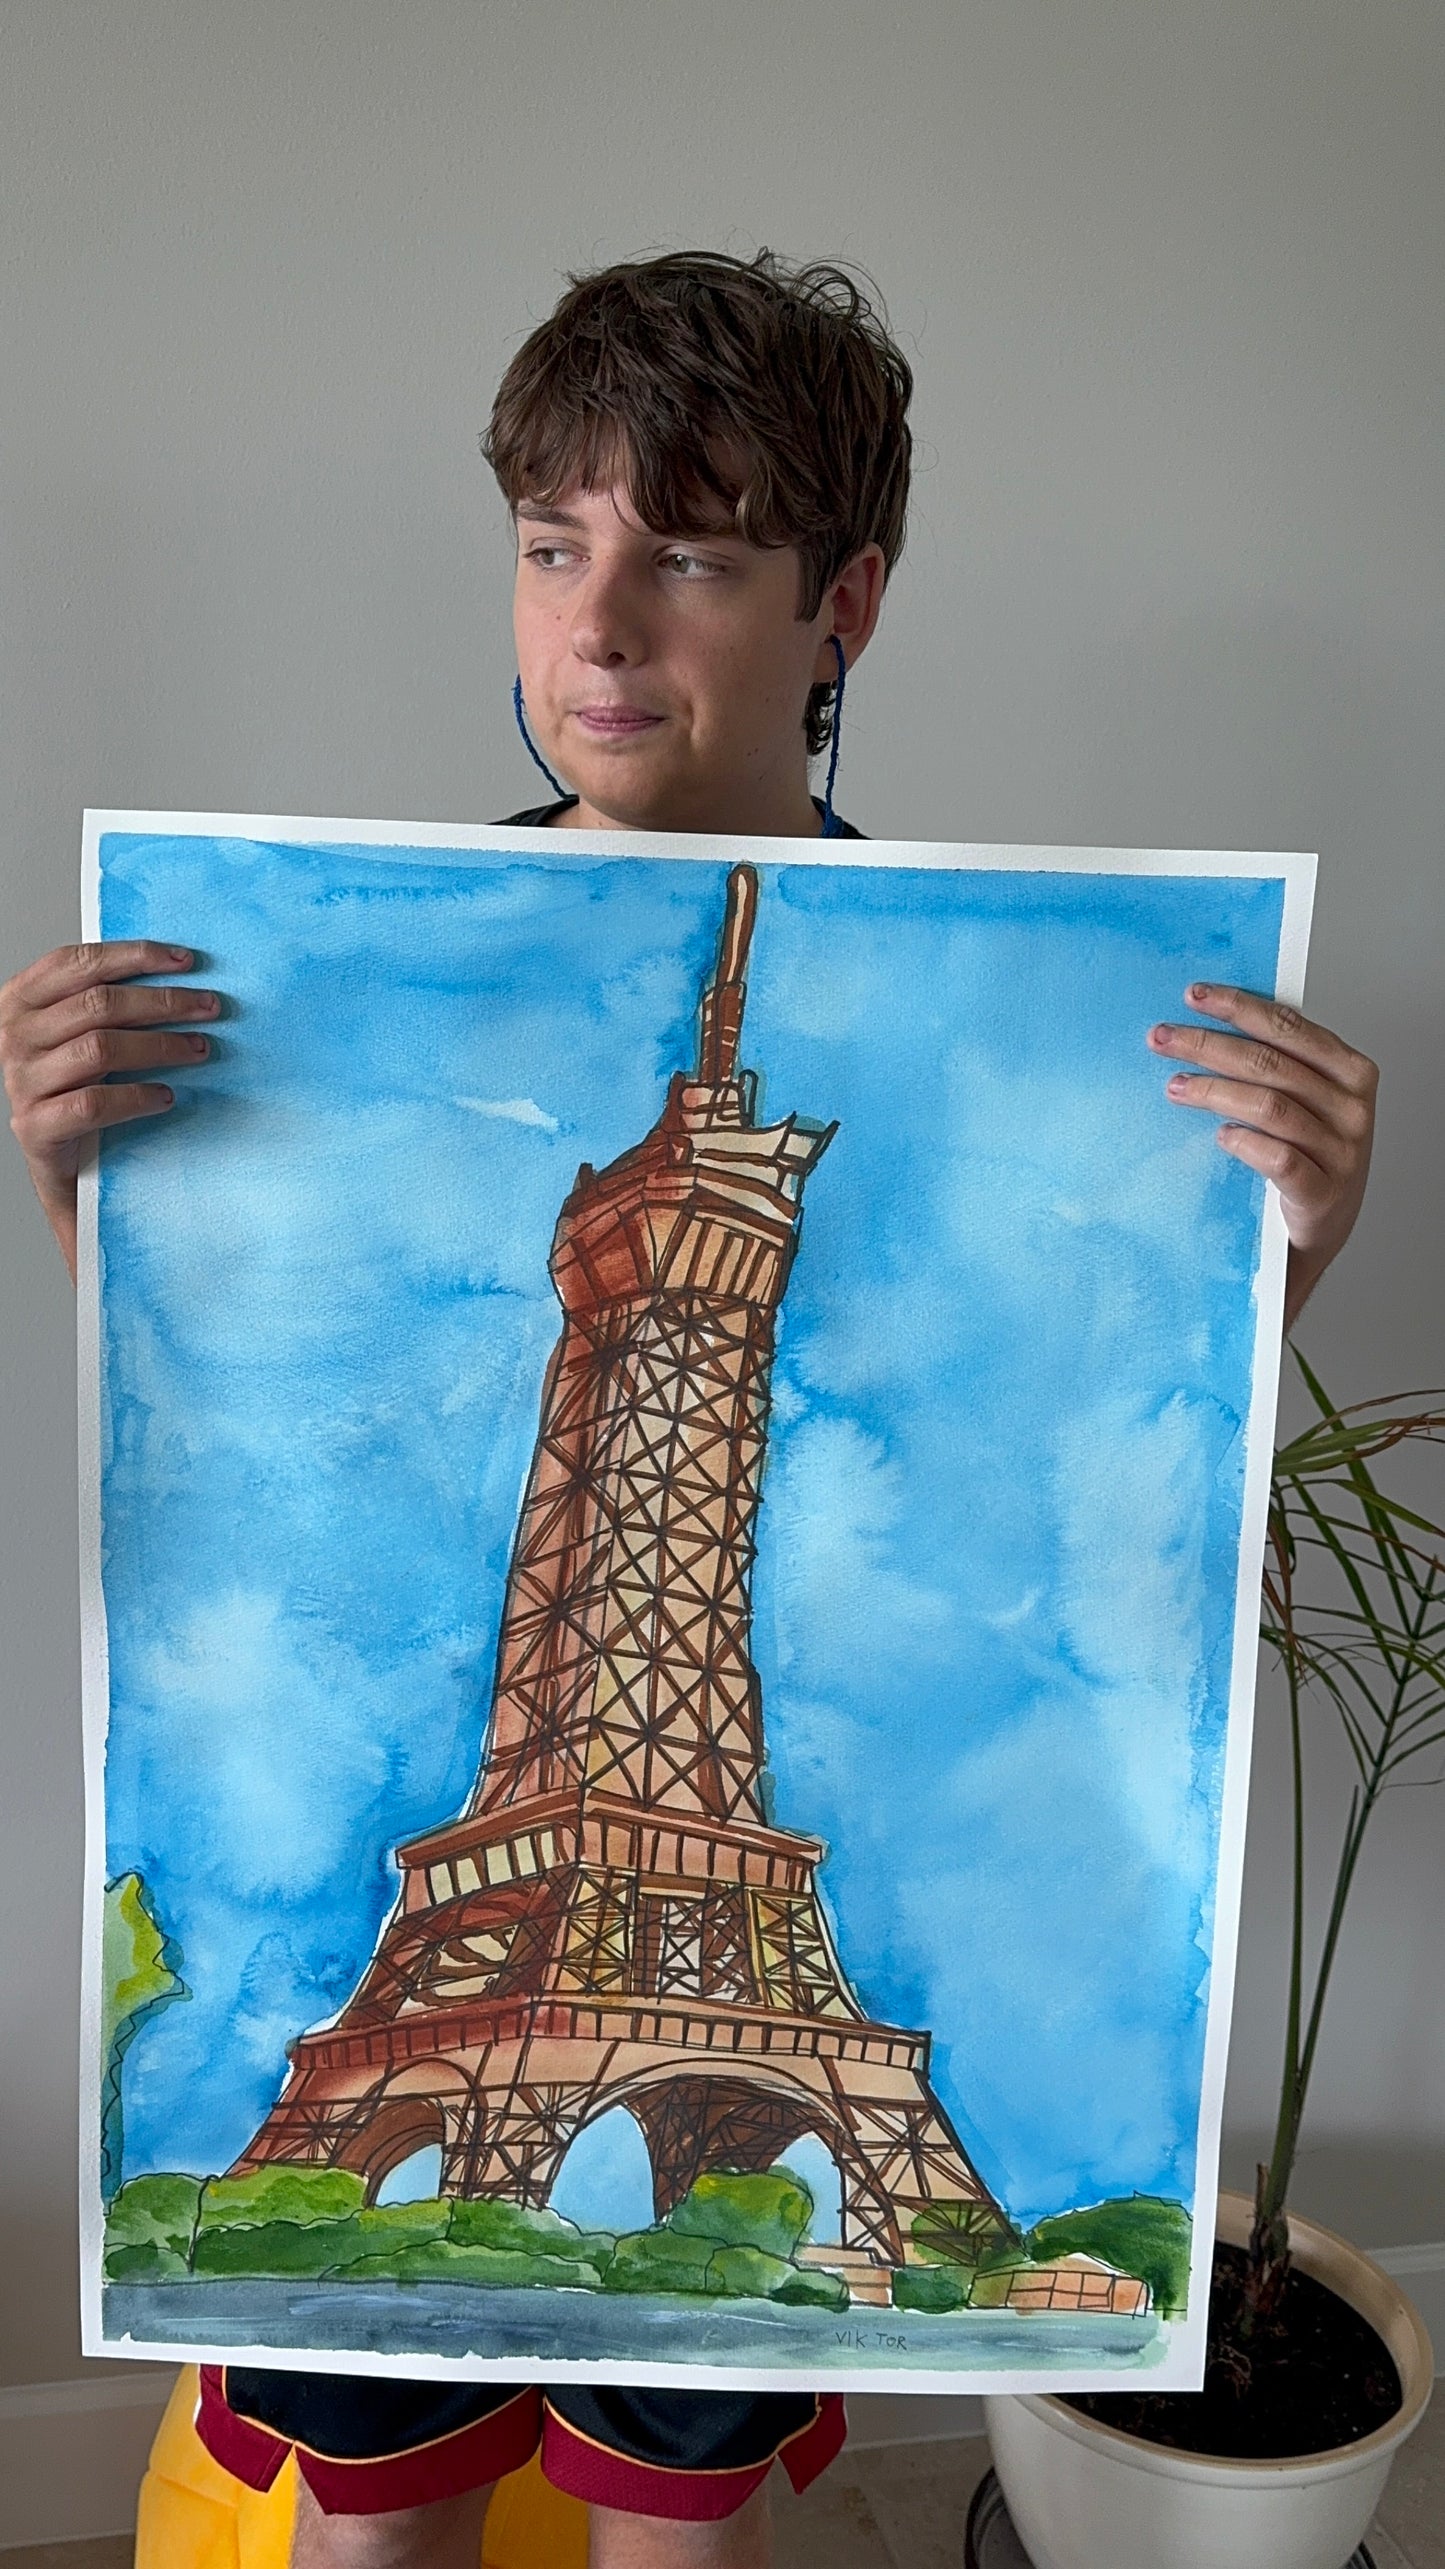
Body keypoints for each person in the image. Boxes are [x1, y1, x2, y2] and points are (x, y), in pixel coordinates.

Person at [0, 251, 1378, 2569]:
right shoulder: (311, 977)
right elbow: (221, 1434)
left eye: (696, 559)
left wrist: (1284, 1242)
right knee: (372, 2514)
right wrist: (85, 1190)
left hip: (710, 1862)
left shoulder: (1057, 1003)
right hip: (506, 1861)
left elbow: (1145, 1437)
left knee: (679, 2513)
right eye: (554, 545)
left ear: (848, 605)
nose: (603, 622)